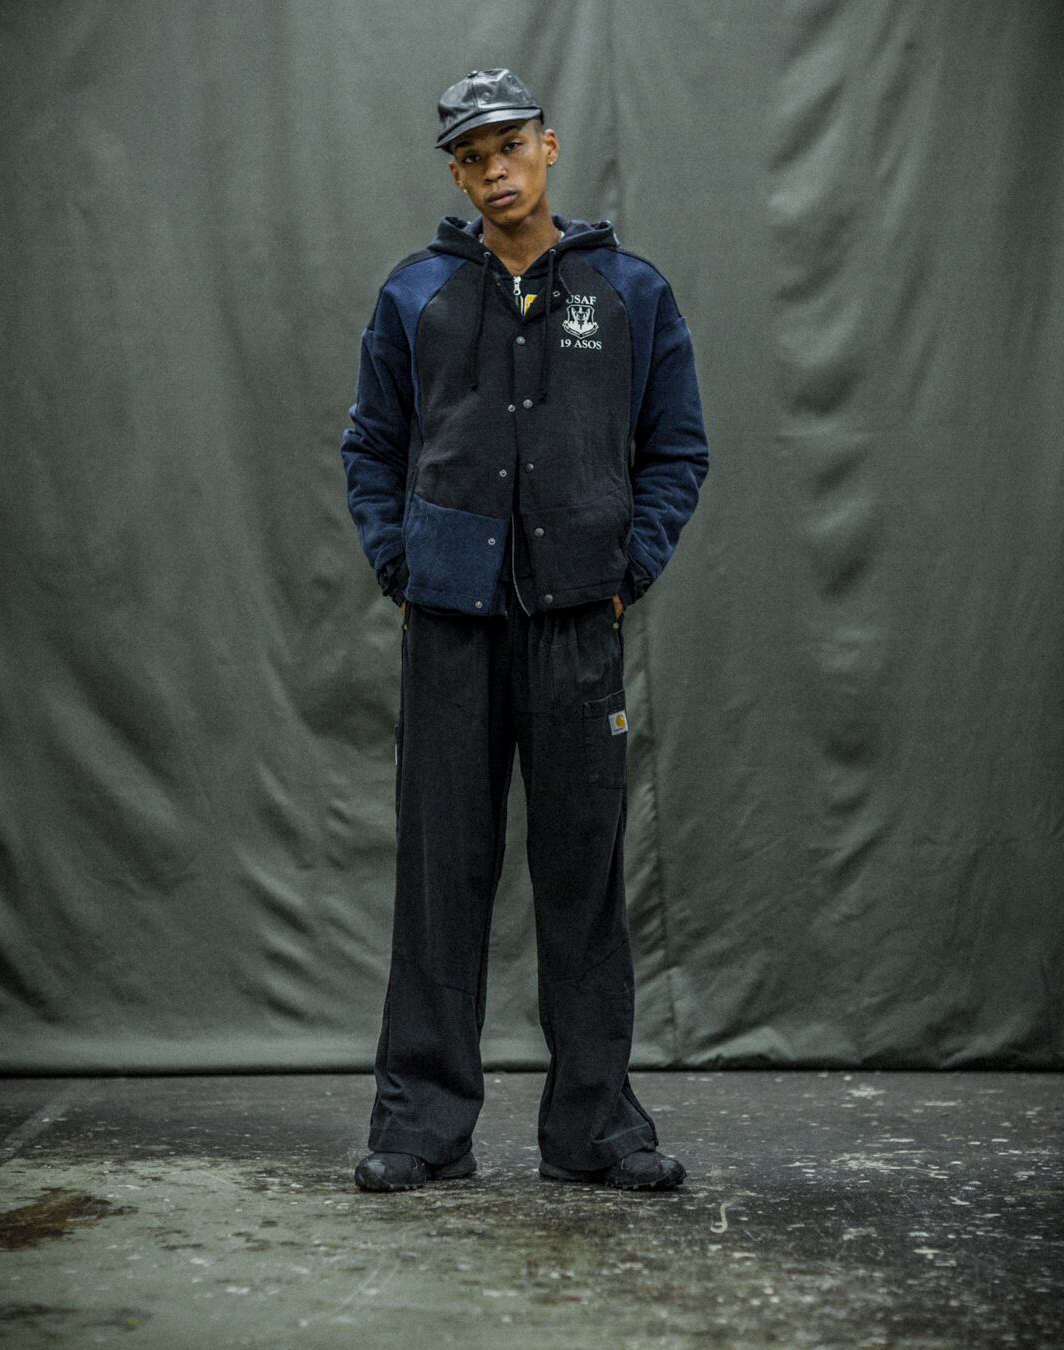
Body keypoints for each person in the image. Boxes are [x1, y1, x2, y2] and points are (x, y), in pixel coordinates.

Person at [341, 68, 708, 1193]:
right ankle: (420, 1128)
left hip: (576, 626)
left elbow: (677, 449)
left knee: (583, 877)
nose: (493, 169)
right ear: (456, 176)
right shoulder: (417, 295)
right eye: (471, 156)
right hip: (450, 628)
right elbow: (371, 447)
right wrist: (402, 565)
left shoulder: (629, 292)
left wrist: (626, 569)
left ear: (547, 147)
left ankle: (596, 1131)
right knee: (440, 877)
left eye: (508, 146)